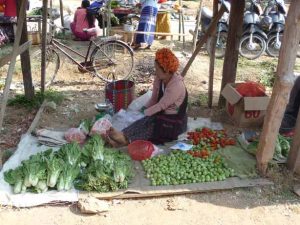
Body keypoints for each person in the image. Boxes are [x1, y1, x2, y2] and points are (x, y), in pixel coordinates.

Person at [105, 48, 188, 147]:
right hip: (162, 115)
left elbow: (161, 105)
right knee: (143, 121)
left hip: (174, 122)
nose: (155, 71)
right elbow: (154, 99)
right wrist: (143, 109)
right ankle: (123, 135)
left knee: (152, 125)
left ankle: (125, 141)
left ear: (166, 71)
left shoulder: (176, 86)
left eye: (157, 69)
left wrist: (144, 113)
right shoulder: (160, 79)